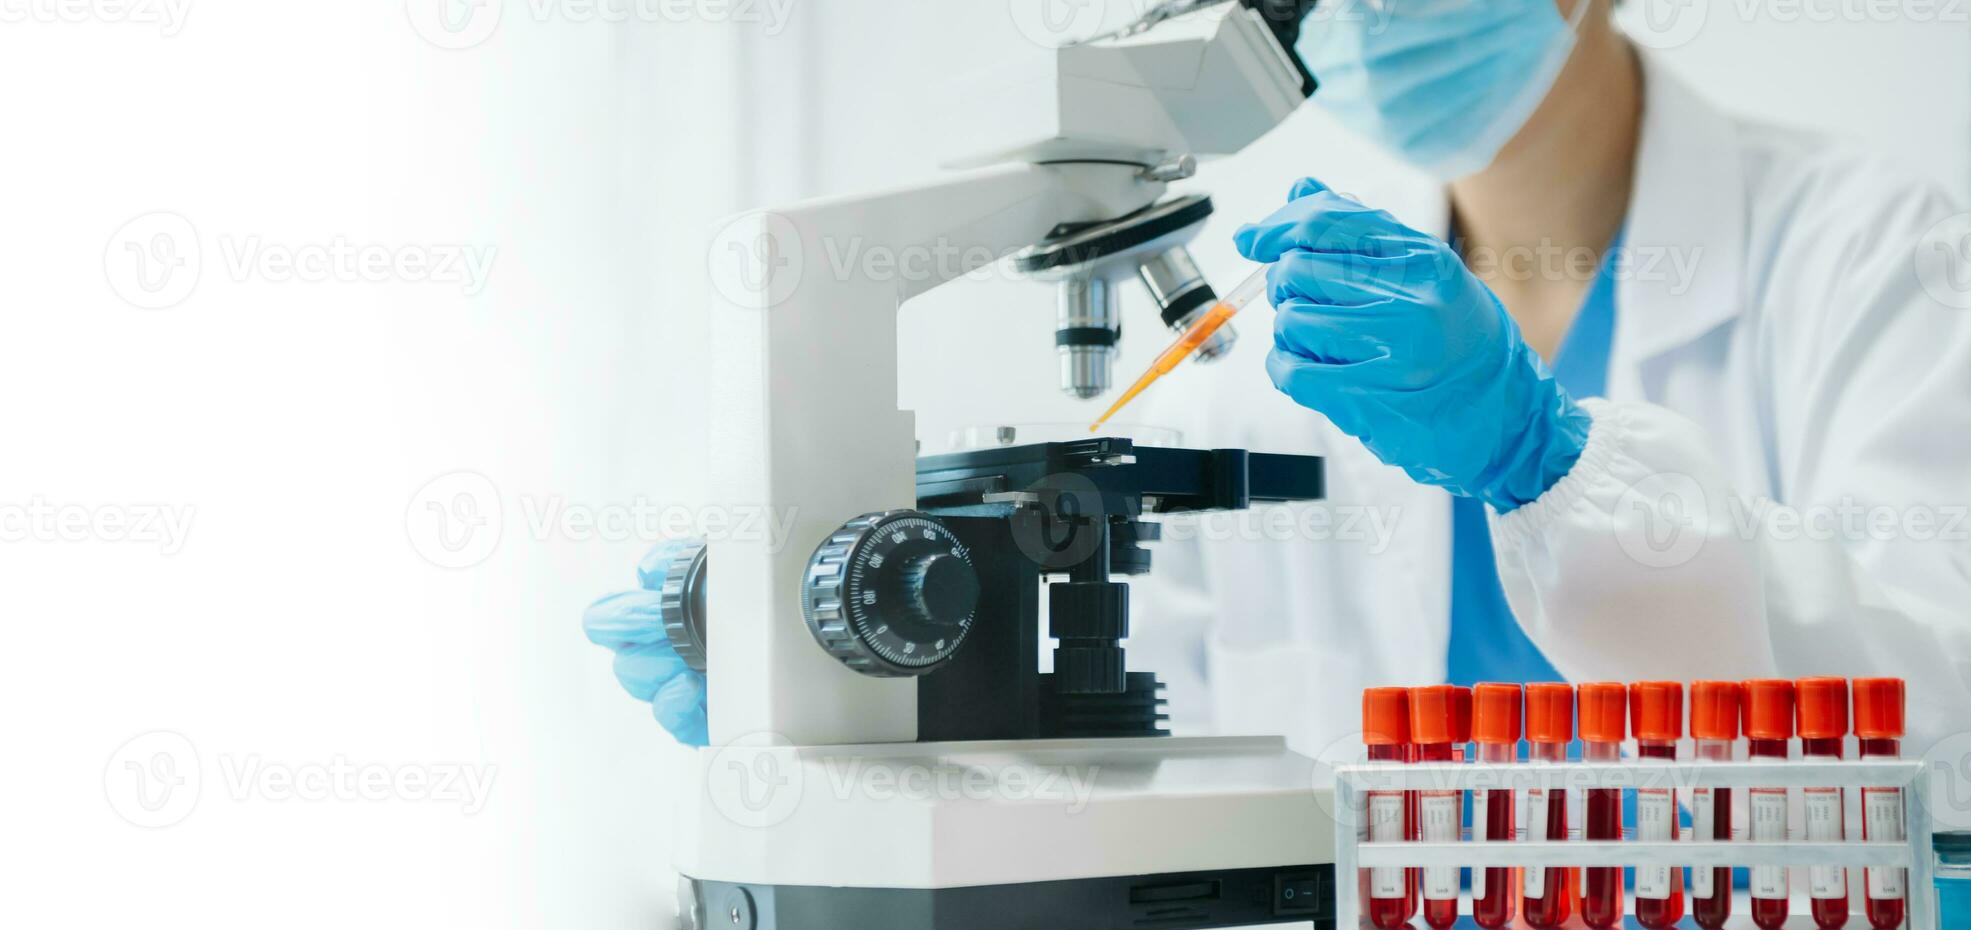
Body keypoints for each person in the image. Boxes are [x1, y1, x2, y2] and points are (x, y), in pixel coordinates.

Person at [587, 0, 1971, 755]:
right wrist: (864, 673)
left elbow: (1944, 704)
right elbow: (1129, 681)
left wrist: (1542, 459)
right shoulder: (1287, 333)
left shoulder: (1878, 259)